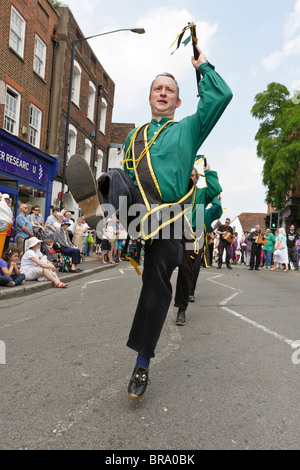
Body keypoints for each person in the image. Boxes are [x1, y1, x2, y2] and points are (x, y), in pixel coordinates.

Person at [123, 43, 232, 400]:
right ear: (150, 97)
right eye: (158, 88)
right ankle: (115, 225)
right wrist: (127, 218)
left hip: (172, 221)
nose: (164, 92)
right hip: (139, 215)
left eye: (170, 89)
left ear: (178, 102)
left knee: (156, 289)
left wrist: (203, 67)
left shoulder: (188, 130)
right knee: (111, 177)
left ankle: (142, 364)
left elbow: (221, 97)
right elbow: (130, 179)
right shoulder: (133, 136)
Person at [174, 166, 222, 326]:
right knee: (160, 267)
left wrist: (208, 172)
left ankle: (181, 308)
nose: (190, 177)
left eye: (193, 175)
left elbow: (215, 189)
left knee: (187, 270)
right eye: (188, 174)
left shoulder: (201, 194)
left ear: (197, 179)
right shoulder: (177, 191)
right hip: (173, 232)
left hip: (192, 236)